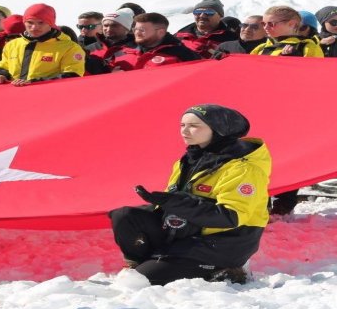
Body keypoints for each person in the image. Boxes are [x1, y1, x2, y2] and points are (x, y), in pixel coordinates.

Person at [109, 104, 270, 285]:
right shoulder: (189, 159)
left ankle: (227, 270)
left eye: (194, 126)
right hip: (188, 231)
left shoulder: (242, 168)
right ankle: (144, 265)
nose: (185, 130)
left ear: (219, 130)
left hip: (223, 241)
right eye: (182, 125)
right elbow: (183, 203)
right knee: (125, 216)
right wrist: (161, 204)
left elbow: (230, 217)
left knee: (145, 280)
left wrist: (176, 202)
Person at [0, 3, 86, 86]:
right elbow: (4, 65)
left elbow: (72, 76)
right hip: (14, 97)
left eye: (41, 22)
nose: (34, 27)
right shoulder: (12, 44)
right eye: (30, 22)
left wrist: (33, 83)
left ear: (51, 23)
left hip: (50, 98)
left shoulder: (70, 47)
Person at [111, 12, 201, 71]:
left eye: (142, 30)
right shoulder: (122, 51)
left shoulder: (182, 55)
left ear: (160, 32)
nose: (137, 33)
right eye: (135, 29)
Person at [250, 6, 325, 57]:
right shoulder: (261, 48)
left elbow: (316, 75)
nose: (265, 27)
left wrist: (295, 61)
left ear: (291, 24)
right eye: (263, 24)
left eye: (271, 24)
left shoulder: (307, 47)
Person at [85, 8, 137, 74]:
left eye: (114, 25)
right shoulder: (89, 49)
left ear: (126, 27)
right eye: (106, 25)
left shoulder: (138, 48)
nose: (108, 29)